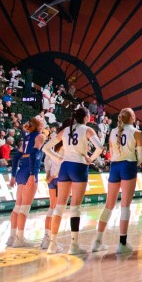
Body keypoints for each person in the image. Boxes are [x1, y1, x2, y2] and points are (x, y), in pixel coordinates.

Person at [50, 107, 103, 254]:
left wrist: (58, 158)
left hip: (65, 166)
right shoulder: (87, 130)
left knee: (59, 206)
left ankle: (52, 244)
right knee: (75, 208)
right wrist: (90, 159)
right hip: (79, 166)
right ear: (86, 117)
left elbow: (46, 148)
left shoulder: (66, 130)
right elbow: (100, 147)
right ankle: (74, 246)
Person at [92, 108, 142, 254]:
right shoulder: (136, 132)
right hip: (128, 165)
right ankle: (122, 243)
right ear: (132, 117)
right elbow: (140, 156)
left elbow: (111, 151)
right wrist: (136, 164)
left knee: (109, 205)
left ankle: (97, 241)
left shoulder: (113, 131)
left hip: (114, 166)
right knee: (125, 206)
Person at [6, 116, 46, 248]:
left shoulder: (26, 138)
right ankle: (20, 239)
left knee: (17, 206)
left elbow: (16, 157)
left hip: (21, 171)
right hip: (29, 170)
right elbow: (34, 154)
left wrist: (13, 176)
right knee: (24, 207)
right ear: (39, 125)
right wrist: (33, 174)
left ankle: (12, 237)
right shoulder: (40, 136)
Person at [40, 127, 64, 252]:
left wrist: (48, 175)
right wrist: (53, 175)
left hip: (51, 179)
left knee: (51, 207)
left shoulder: (51, 148)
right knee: (57, 209)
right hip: (59, 178)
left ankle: (46, 237)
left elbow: (46, 162)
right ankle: (52, 241)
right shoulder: (64, 147)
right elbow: (62, 164)